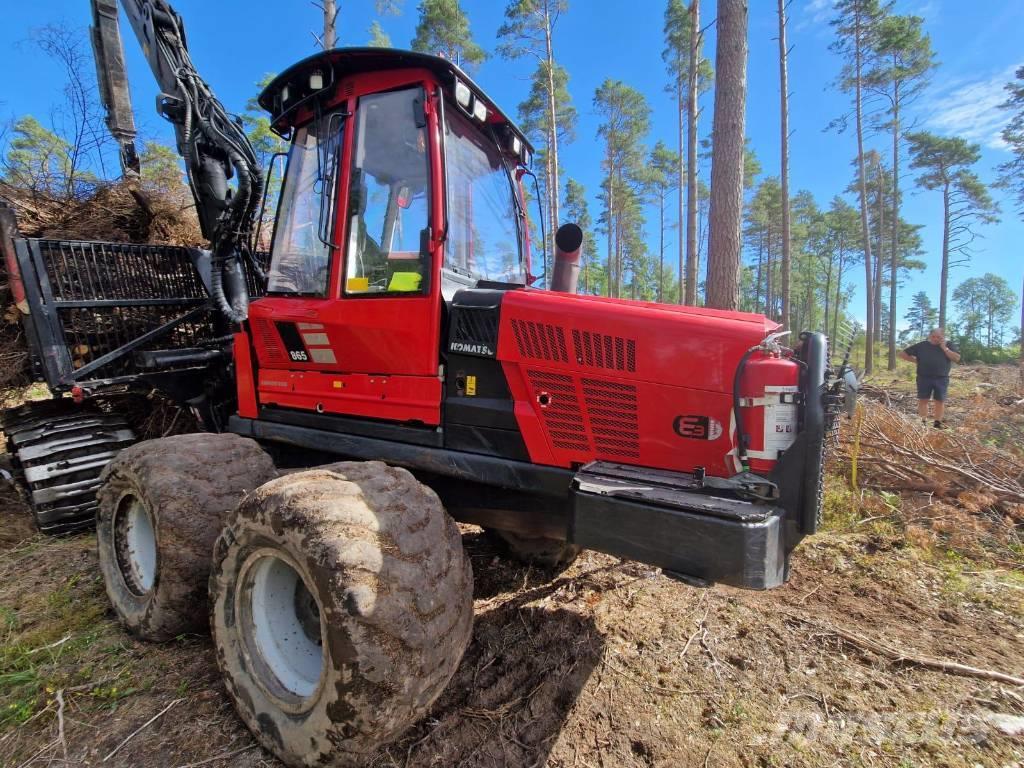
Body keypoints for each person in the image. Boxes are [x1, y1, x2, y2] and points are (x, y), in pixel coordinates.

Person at [898, 327, 961, 428]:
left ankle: (937, 423)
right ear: (929, 336)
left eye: (938, 337)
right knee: (923, 400)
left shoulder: (949, 345)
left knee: (939, 401)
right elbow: (902, 354)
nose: (935, 339)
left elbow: (957, 358)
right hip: (924, 377)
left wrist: (945, 348)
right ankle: (923, 422)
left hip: (941, 378)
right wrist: (916, 361)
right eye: (933, 336)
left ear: (943, 337)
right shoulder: (922, 345)